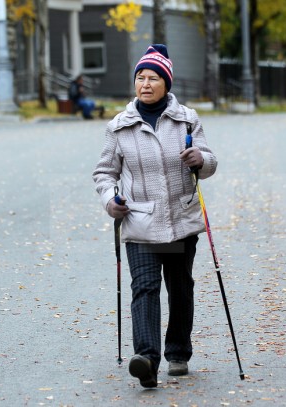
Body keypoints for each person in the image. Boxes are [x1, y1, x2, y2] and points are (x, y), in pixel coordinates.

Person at [92, 44, 217, 388]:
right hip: (140, 223)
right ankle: (146, 359)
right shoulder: (119, 127)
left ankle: (178, 352)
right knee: (144, 288)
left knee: (179, 288)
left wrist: (200, 160)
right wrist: (110, 200)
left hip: (179, 223)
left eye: (153, 78)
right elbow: (104, 173)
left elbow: (210, 162)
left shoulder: (187, 119)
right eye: (140, 78)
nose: (145, 84)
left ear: (166, 83)